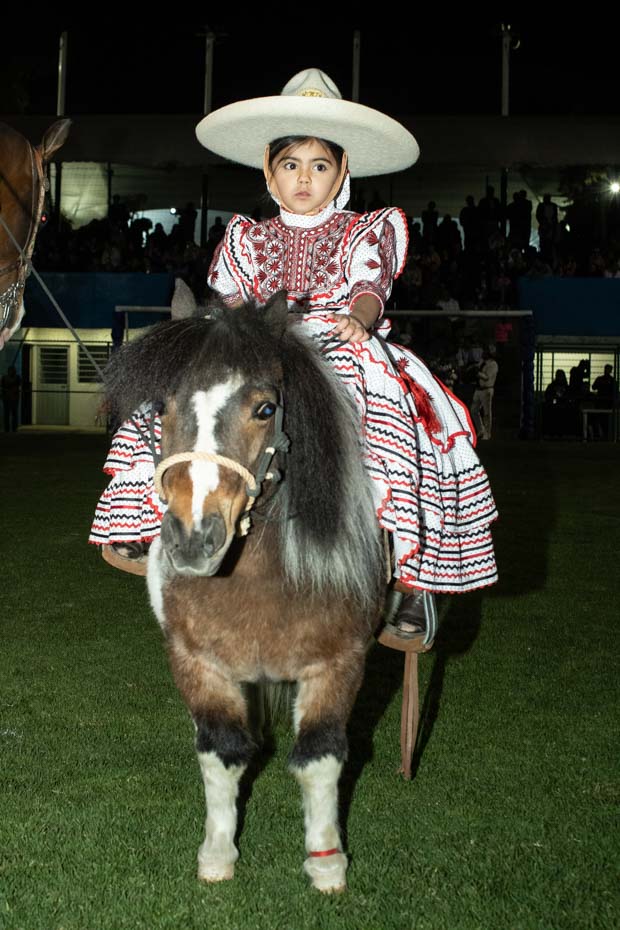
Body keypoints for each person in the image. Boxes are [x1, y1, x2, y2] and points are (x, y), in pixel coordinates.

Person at [90, 69, 498, 633]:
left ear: (342, 171)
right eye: (290, 165)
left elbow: (370, 286)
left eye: (319, 166)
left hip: (337, 341)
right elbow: (231, 299)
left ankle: (410, 577)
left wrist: (359, 319)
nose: (304, 178)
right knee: (171, 399)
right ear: (269, 170)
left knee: (392, 421)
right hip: (258, 347)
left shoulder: (362, 231)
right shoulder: (247, 236)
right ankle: (145, 520)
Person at [471, 349, 499, 440]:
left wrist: (477, 373)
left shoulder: (493, 364)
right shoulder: (482, 362)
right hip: (478, 389)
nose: (483, 354)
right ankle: (480, 430)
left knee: (487, 413)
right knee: (474, 410)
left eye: (485, 353)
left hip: (487, 389)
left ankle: (487, 433)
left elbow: (487, 377)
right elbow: (476, 368)